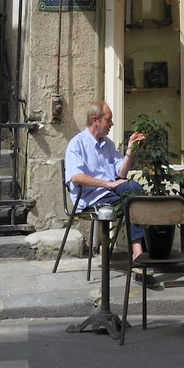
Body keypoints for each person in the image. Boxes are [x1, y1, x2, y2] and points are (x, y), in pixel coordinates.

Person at [64, 102, 147, 260]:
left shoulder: (108, 144)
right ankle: (138, 251)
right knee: (133, 202)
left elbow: (121, 173)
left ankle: (139, 251)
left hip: (111, 191)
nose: (112, 124)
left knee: (135, 189)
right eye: (108, 120)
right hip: (91, 196)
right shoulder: (77, 144)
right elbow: (76, 177)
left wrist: (130, 148)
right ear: (96, 120)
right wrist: (108, 184)